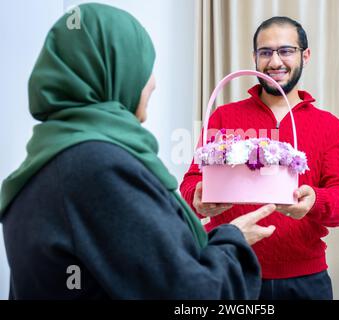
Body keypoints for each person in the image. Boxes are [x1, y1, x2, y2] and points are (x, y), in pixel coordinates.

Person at [0, 3, 278, 299]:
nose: (153, 82)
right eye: (143, 67)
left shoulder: (49, 158)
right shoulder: (97, 166)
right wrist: (232, 242)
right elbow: (190, 294)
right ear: (111, 71)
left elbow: (132, 265)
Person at [181, 16, 339, 300]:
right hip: (231, 272)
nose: (275, 62)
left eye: (286, 51)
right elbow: (190, 184)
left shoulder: (329, 125)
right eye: (266, 52)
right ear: (255, 57)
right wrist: (198, 200)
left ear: (306, 55)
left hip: (306, 280)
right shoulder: (225, 116)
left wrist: (315, 201)